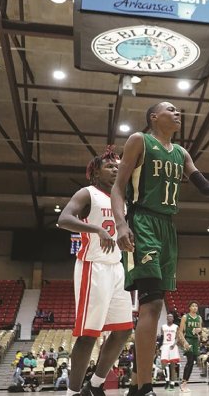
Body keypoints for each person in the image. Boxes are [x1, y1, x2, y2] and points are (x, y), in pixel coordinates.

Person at [111, 102, 209, 396]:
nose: (178, 113)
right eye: (171, 109)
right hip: (143, 221)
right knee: (152, 303)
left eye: (179, 110)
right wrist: (121, 224)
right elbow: (118, 187)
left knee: (155, 303)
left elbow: (204, 186)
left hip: (168, 227)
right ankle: (143, 387)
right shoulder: (139, 141)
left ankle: (135, 386)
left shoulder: (181, 153)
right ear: (154, 117)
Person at [57, 148, 134, 396]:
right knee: (89, 335)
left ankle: (95, 385)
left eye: (119, 166)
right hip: (93, 268)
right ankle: (72, 392)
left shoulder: (122, 197)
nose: (116, 169)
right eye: (110, 166)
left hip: (116, 268)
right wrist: (95, 229)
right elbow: (63, 219)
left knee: (123, 330)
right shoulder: (87, 193)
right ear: (95, 171)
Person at [177, 303, 202, 392]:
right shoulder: (185, 317)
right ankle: (183, 384)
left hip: (195, 341)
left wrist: (199, 331)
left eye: (196, 306)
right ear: (189, 308)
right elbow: (180, 332)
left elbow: (200, 329)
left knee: (192, 362)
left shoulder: (199, 318)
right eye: (193, 306)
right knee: (190, 361)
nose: (195, 307)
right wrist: (184, 342)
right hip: (188, 340)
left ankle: (185, 383)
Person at [158, 313, 180, 390]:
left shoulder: (176, 327)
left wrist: (174, 344)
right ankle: (167, 380)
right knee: (164, 365)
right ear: (166, 318)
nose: (169, 318)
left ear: (173, 319)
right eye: (168, 317)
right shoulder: (163, 327)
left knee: (173, 366)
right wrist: (159, 347)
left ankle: (172, 383)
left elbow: (177, 337)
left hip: (172, 346)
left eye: (171, 317)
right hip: (165, 345)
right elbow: (161, 337)